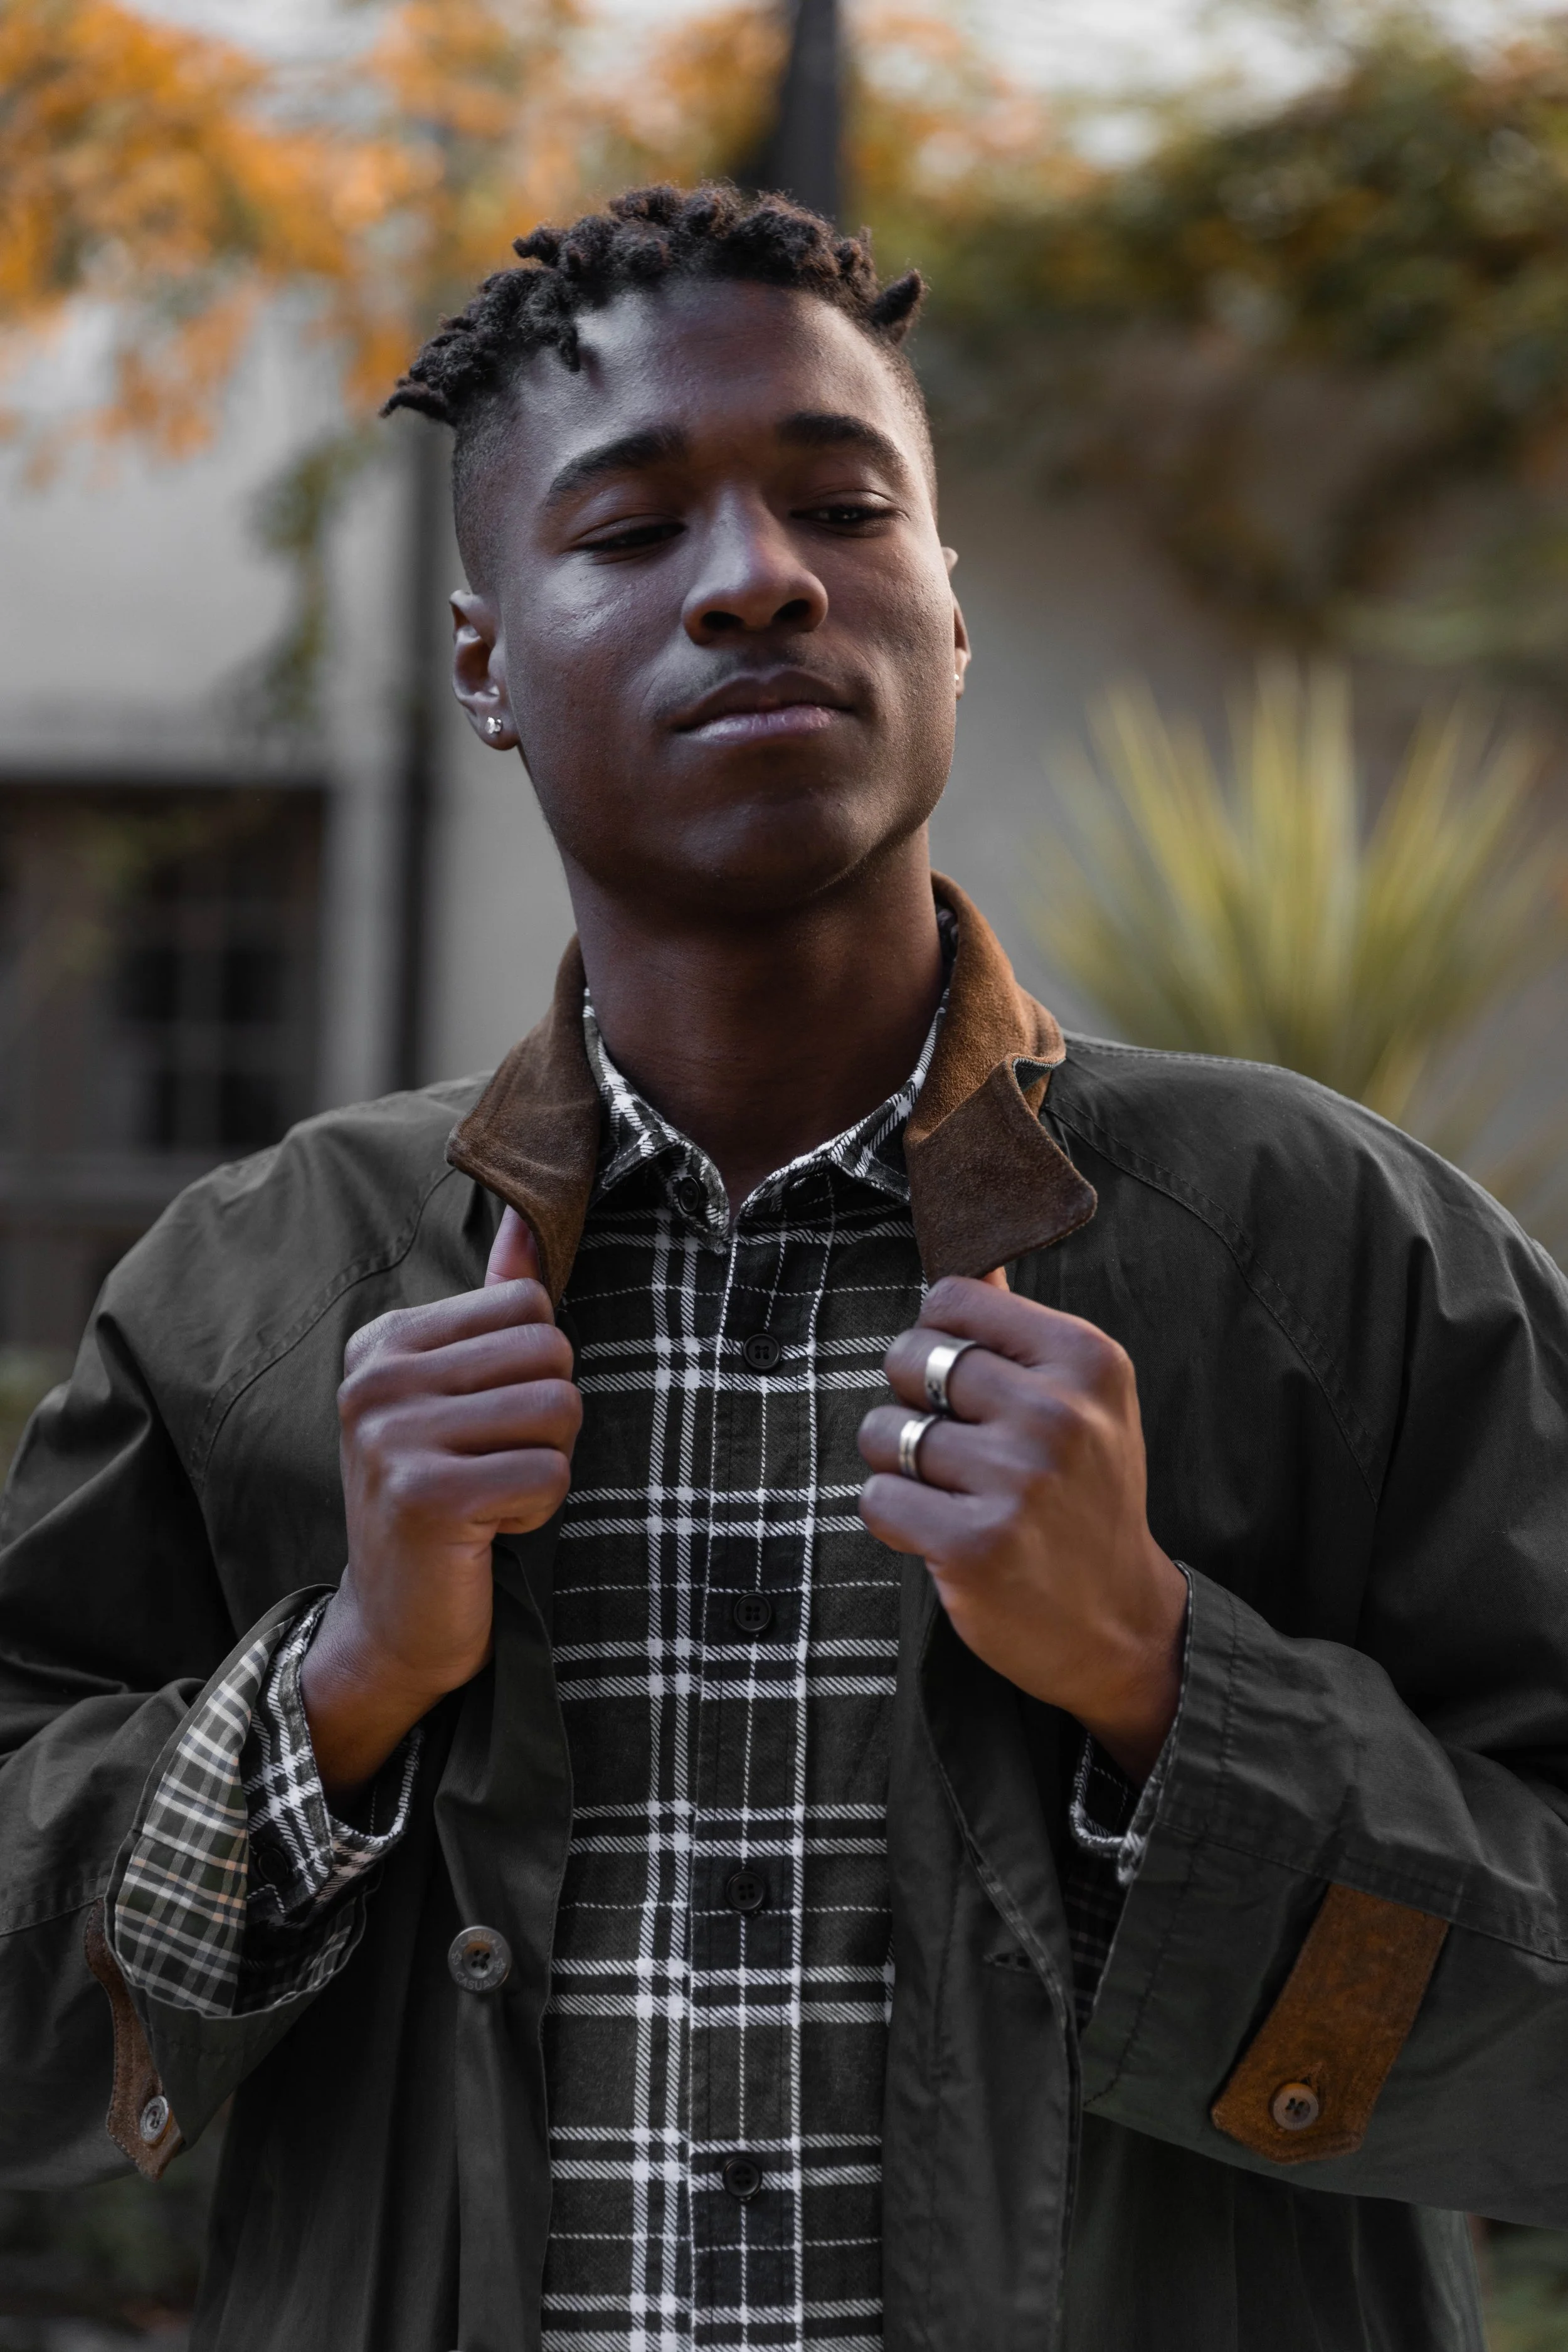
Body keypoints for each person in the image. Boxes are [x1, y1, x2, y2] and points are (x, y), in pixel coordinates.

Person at [1, 182, 1566, 2352]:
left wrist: (1157, 1677)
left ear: (946, 610)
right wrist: (340, 1682)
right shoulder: (252, 1296)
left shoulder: (1329, 1254)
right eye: (631, 531)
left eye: (842, 507)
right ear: (482, 662)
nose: (754, 579)